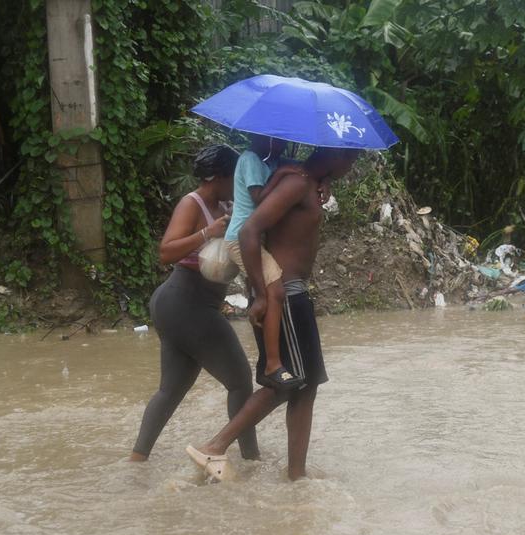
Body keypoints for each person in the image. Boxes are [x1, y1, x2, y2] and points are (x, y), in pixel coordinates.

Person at [186, 147, 361, 481]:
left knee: (304, 387)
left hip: (294, 296)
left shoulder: (302, 180)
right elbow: (249, 231)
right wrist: (262, 293)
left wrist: (323, 182)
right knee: (284, 384)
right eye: (350, 160)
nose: (351, 168)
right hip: (286, 296)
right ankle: (215, 446)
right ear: (335, 154)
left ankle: (296, 475)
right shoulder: (296, 183)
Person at [130, 145, 260, 462]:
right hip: (186, 301)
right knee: (240, 382)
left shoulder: (230, 203)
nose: (238, 183)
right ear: (218, 177)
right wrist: (207, 232)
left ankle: (136, 460)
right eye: (234, 176)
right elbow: (166, 252)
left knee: (172, 389)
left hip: (181, 305)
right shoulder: (193, 204)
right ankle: (250, 460)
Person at [223, 134, 302, 390]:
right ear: (265, 139)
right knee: (274, 292)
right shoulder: (250, 159)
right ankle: (273, 365)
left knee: (270, 294)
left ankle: (267, 362)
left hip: (253, 239)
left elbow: (303, 171)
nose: (282, 144)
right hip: (241, 239)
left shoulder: (271, 162)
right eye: (278, 140)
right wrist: (281, 175)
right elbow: (259, 198)